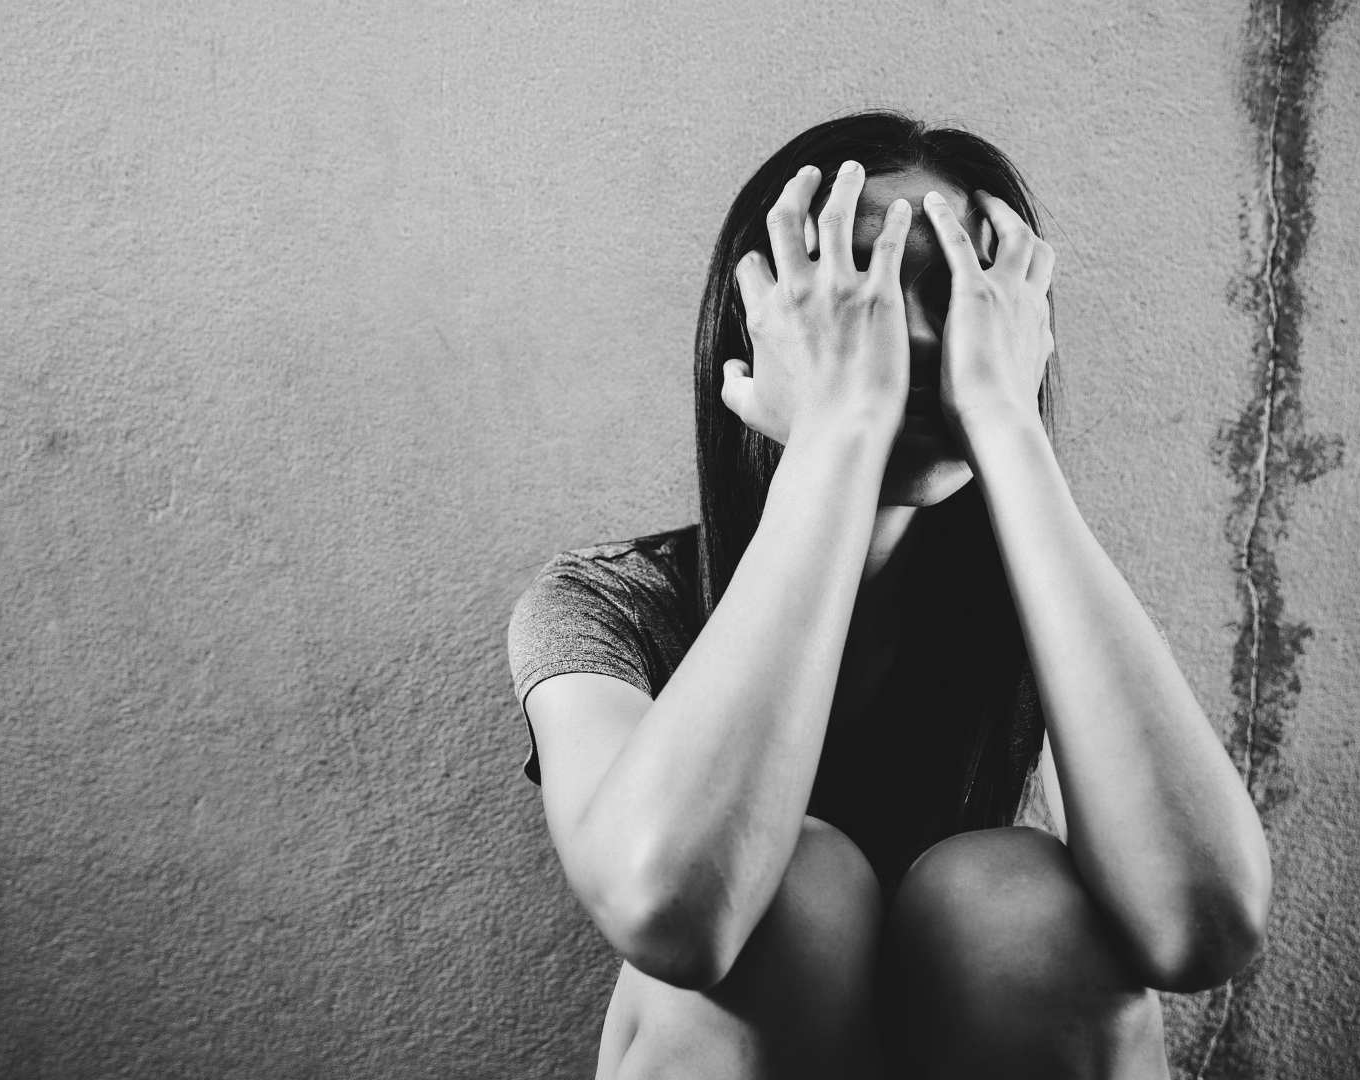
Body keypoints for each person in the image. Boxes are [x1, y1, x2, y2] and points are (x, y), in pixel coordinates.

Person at [505, 110, 1271, 1079]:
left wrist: (1005, 420)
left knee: (1007, 899)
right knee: (790, 892)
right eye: (856, 282)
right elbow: (673, 913)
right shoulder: (607, 603)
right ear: (761, 335)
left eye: (954, 292)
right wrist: (837, 434)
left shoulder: (1041, 599)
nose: (911, 332)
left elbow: (1199, 930)